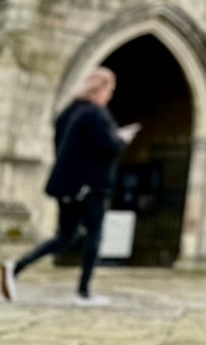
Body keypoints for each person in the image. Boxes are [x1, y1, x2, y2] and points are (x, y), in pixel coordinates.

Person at [1, 67, 138, 307]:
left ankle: (16, 267)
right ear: (101, 88)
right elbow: (108, 147)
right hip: (91, 187)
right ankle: (83, 292)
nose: (110, 95)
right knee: (94, 235)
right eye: (110, 89)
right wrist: (122, 139)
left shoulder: (69, 111)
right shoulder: (96, 114)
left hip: (66, 186)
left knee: (66, 236)